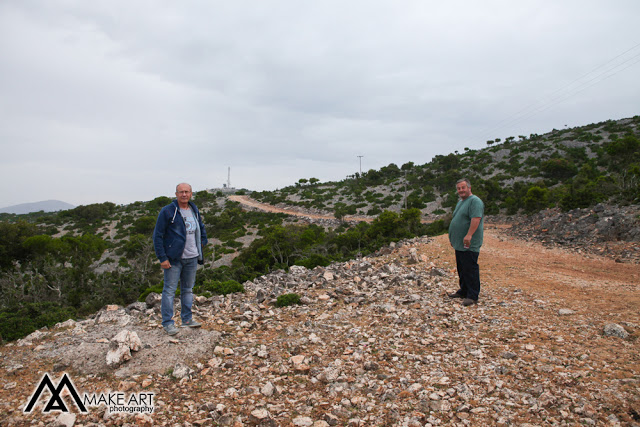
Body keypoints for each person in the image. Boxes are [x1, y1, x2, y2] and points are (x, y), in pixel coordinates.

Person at [153, 183, 208, 335]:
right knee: (169, 291)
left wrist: (203, 241)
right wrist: (162, 257)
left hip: (192, 257)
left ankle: (187, 319)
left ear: (191, 194)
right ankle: (168, 323)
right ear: (176, 194)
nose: (184, 194)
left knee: (188, 290)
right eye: (181, 192)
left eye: (187, 192)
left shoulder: (193, 209)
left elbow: (200, 226)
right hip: (174, 259)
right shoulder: (168, 211)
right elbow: (157, 235)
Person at [447, 178, 484, 306]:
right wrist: (453, 238)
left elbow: (476, 219)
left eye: (463, 188)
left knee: (470, 268)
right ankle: (463, 290)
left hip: (469, 242)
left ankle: (472, 295)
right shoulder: (461, 201)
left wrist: (469, 235)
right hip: (459, 243)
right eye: (458, 188)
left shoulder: (475, 201)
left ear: (469, 187)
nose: (461, 190)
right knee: (462, 268)